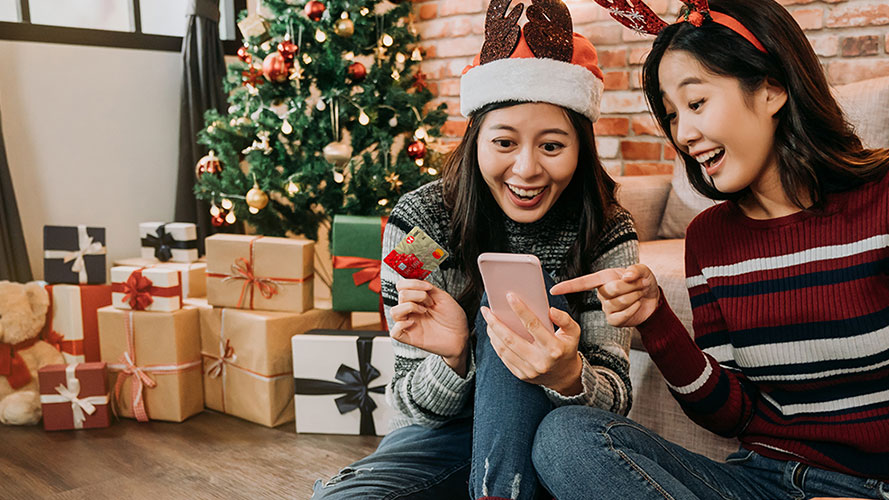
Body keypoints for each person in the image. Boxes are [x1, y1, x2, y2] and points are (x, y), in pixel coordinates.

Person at [531, 0, 889, 498]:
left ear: (771, 88)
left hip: (869, 488)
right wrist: (653, 316)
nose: (685, 134)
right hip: (758, 481)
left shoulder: (881, 199)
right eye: (673, 115)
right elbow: (732, 414)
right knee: (565, 437)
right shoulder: (710, 238)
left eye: (696, 104)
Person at [311, 1, 638, 498]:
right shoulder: (420, 225)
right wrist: (454, 359)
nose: (527, 170)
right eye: (504, 142)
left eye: (552, 146)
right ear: (476, 141)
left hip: (552, 437)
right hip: (443, 438)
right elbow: (405, 400)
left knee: (517, 298)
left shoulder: (607, 231)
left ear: (580, 147)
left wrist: (568, 374)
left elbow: (615, 399)